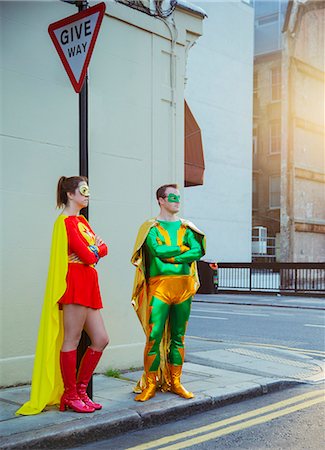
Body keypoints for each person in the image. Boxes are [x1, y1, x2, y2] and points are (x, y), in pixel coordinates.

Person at [16, 176, 109, 415]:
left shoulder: (82, 223)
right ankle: (70, 394)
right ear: (70, 194)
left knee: (101, 339)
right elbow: (91, 256)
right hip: (75, 283)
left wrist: (94, 251)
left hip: (89, 283)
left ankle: (80, 391)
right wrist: (95, 250)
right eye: (83, 191)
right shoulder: (66, 222)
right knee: (72, 339)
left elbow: (101, 250)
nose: (88, 195)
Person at [131, 184, 205, 402]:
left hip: (183, 287)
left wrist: (174, 257)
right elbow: (156, 251)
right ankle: (151, 383)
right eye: (172, 197)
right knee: (153, 337)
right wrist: (183, 250)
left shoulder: (187, 227)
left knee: (178, 337)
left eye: (178, 198)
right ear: (160, 200)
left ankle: (176, 382)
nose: (176, 201)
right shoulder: (150, 227)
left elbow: (198, 250)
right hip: (159, 288)